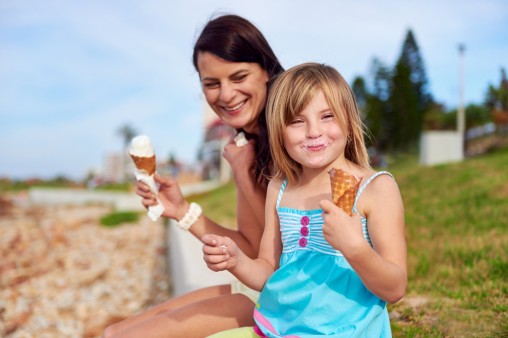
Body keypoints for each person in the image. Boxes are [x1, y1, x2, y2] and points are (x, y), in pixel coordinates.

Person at [103, 14, 284, 338]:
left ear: (266, 72)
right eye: (211, 84)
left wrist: (242, 174)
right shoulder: (248, 145)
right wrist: (181, 211)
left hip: (294, 307)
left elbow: (286, 248)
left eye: (238, 76)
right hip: (266, 291)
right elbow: (252, 246)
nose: (226, 95)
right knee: (115, 331)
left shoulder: (295, 136)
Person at [202, 63, 407, 337]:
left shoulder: (376, 189)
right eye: (297, 121)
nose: (313, 131)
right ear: (280, 130)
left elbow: (395, 289)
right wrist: (236, 260)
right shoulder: (280, 187)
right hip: (276, 329)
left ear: (349, 119)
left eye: (327, 116)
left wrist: (355, 248)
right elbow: (267, 271)